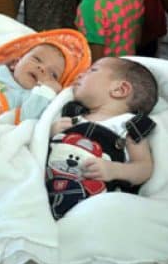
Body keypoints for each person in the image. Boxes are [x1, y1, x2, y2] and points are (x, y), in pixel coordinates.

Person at [46, 57, 157, 219]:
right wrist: (51, 133)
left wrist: (114, 170)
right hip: (46, 189)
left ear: (119, 89)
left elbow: (144, 168)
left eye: (92, 70)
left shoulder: (128, 126)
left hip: (93, 203)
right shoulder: (72, 114)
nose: (79, 75)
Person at [0, 43, 66, 120]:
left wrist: (46, 91)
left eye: (53, 74)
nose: (42, 68)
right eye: (37, 59)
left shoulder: (31, 98)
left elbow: (27, 118)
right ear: (15, 63)